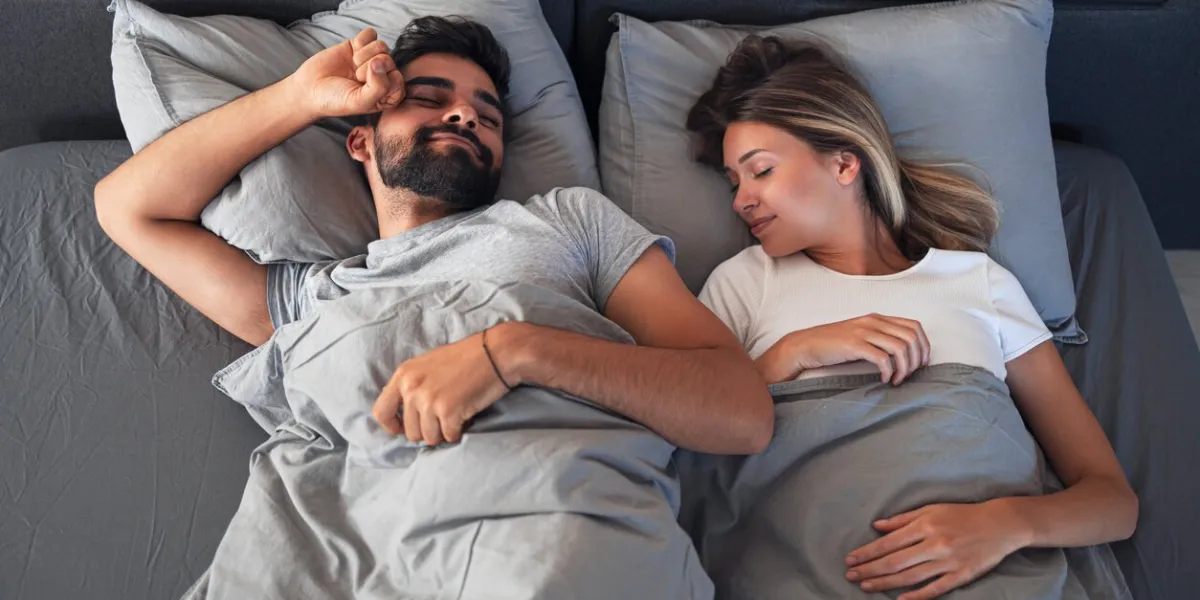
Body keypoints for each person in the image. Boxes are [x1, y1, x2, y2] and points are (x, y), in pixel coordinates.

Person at [94, 17, 772, 597]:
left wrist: (515, 352)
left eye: (489, 114)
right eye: (429, 98)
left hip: (551, 546)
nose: (466, 115)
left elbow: (739, 411)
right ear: (359, 140)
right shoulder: (319, 297)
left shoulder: (569, 222)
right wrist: (299, 98)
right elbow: (129, 209)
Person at [686, 36, 1138, 600]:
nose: (741, 200)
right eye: (733, 183)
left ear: (845, 162)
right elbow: (685, 433)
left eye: (761, 172)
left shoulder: (978, 282)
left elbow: (1112, 501)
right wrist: (791, 354)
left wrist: (1002, 525)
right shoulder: (744, 283)